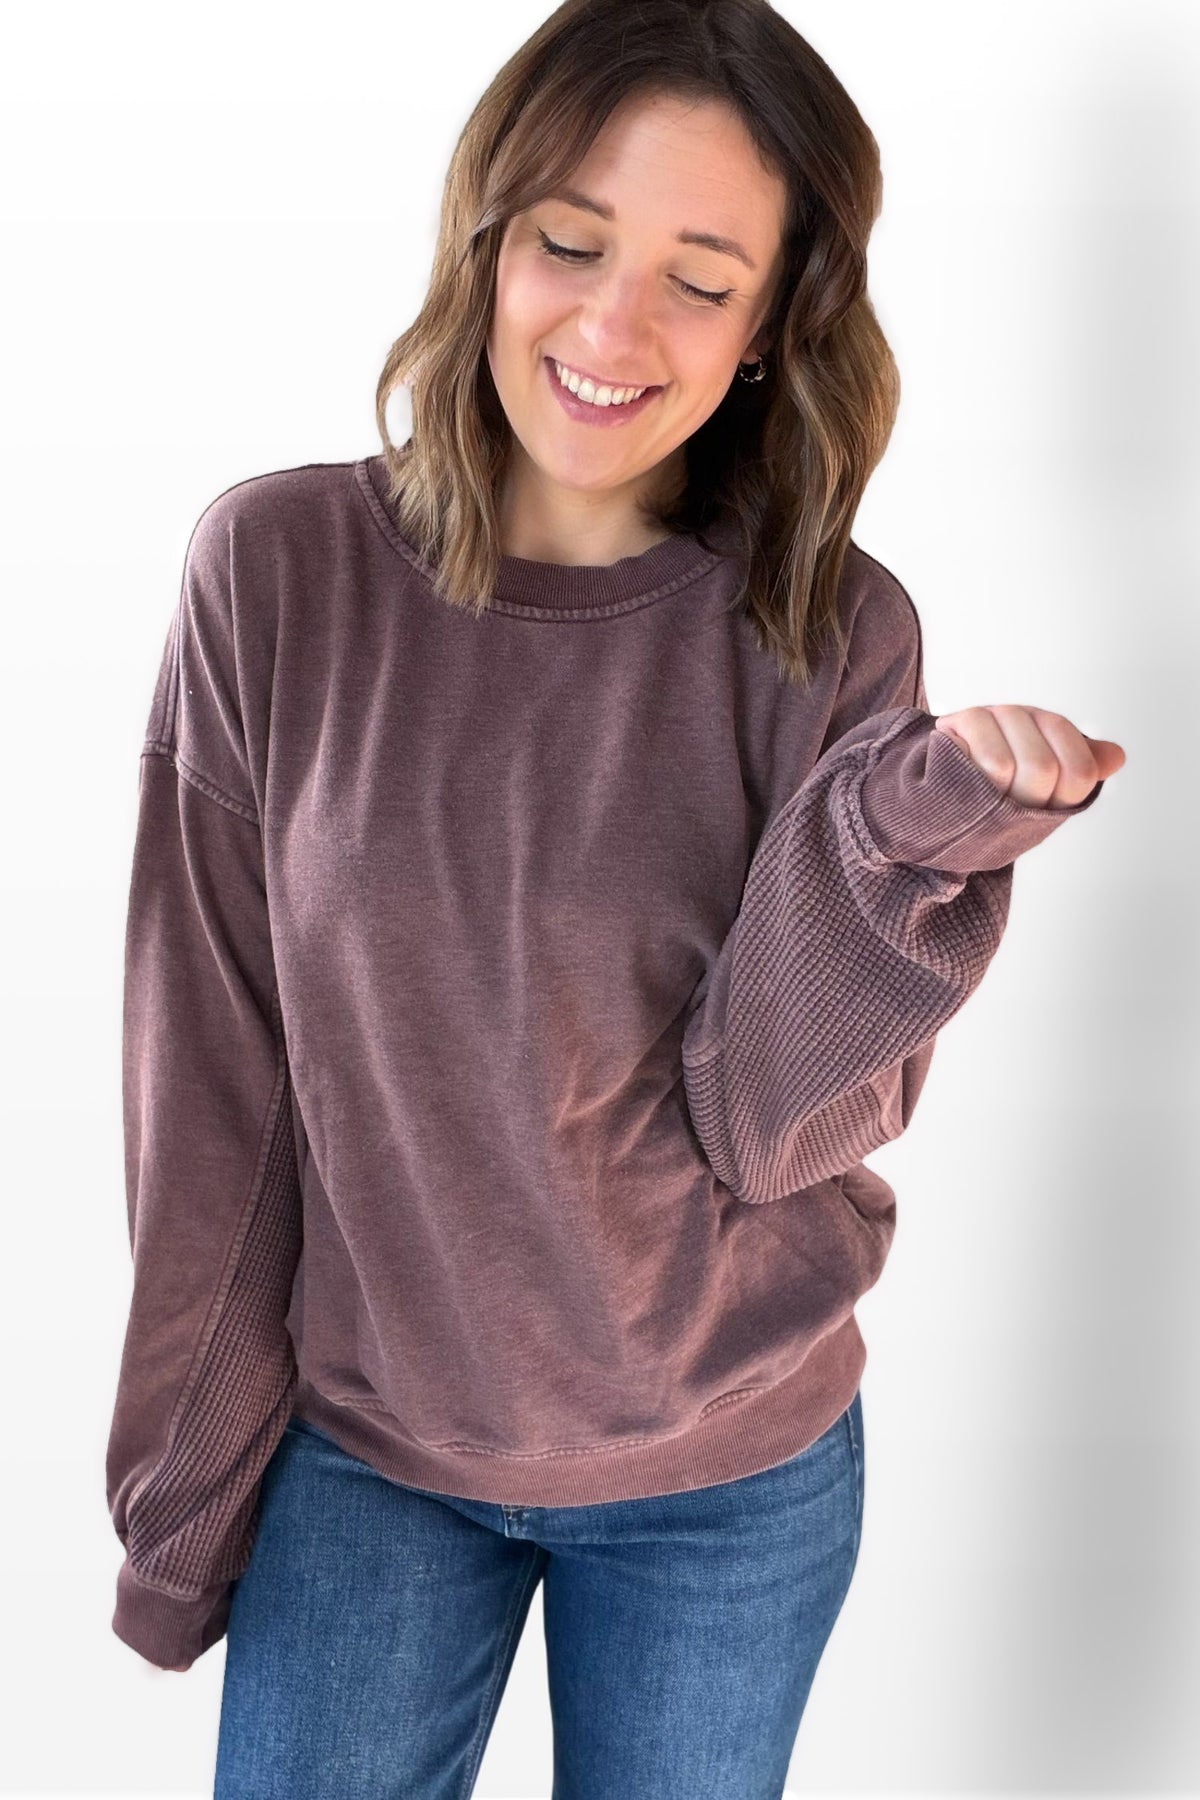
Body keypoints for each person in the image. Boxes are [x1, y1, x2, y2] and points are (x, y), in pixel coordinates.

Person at [104, 0, 1123, 1792]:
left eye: (700, 279)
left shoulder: (829, 631)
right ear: (486, 239)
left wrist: (895, 845)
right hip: (370, 1456)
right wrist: (184, 1483)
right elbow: (217, 1082)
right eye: (572, 244)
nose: (611, 326)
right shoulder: (275, 573)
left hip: (728, 1480)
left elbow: (764, 1121)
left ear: (768, 331)